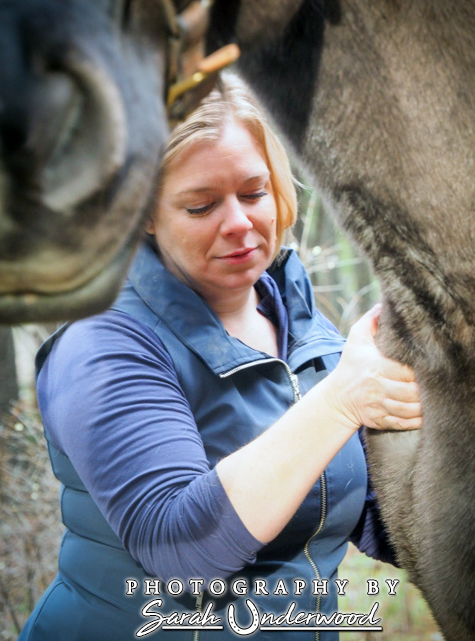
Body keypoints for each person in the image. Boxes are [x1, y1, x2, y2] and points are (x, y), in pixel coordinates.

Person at [19, 74, 421, 641]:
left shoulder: (302, 323)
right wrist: (340, 402)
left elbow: (375, 518)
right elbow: (180, 547)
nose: (238, 222)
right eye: (201, 204)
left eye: (253, 193)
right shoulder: (103, 343)